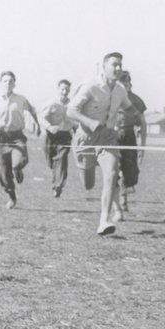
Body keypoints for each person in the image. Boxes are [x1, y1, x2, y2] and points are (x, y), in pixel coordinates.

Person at [66, 52, 142, 236]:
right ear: (104, 66)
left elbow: (129, 107)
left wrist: (136, 115)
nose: (118, 68)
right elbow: (70, 111)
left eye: (120, 65)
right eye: (114, 65)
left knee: (112, 173)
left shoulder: (120, 90)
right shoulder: (90, 86)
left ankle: (104, 221)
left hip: (108, 138)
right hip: (85, 138)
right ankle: (85, 171)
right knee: (88, 184)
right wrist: (90, 123)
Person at [0, 71, 41, 209]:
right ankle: (11, 196)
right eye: (5, 81)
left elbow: (33, 111)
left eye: (11, 81)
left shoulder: (21, 99)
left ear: (14, 84)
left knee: (19, 162)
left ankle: (18, 170)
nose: (8, 83)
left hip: (17, 137)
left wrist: (38, 125)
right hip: (3, 138)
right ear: (0, 83)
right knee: (3, 171)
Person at [116, 70, 147, 211]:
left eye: (127, 84)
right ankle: (120, 201)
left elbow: (143, 124)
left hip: (129, 135)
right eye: (121, 84)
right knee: (113, 169)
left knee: (131, 172)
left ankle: (125, 192)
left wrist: (143, 146)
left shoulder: (135, 100)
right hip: (113, 136)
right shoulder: (110, 97)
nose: (125, 87)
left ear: (130, 85)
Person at [41, 79, 74, 198]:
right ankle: (57, 178)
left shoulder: (72, 104)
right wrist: (50, 127)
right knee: (51, 162)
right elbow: (42, 118)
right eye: (62, 89)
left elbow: (77, 118)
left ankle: (58, 186)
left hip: (65, 135)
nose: (64, 92)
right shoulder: (51, 103)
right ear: (58, 89)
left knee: (61, 158)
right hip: (51, 135)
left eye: (67, 90)